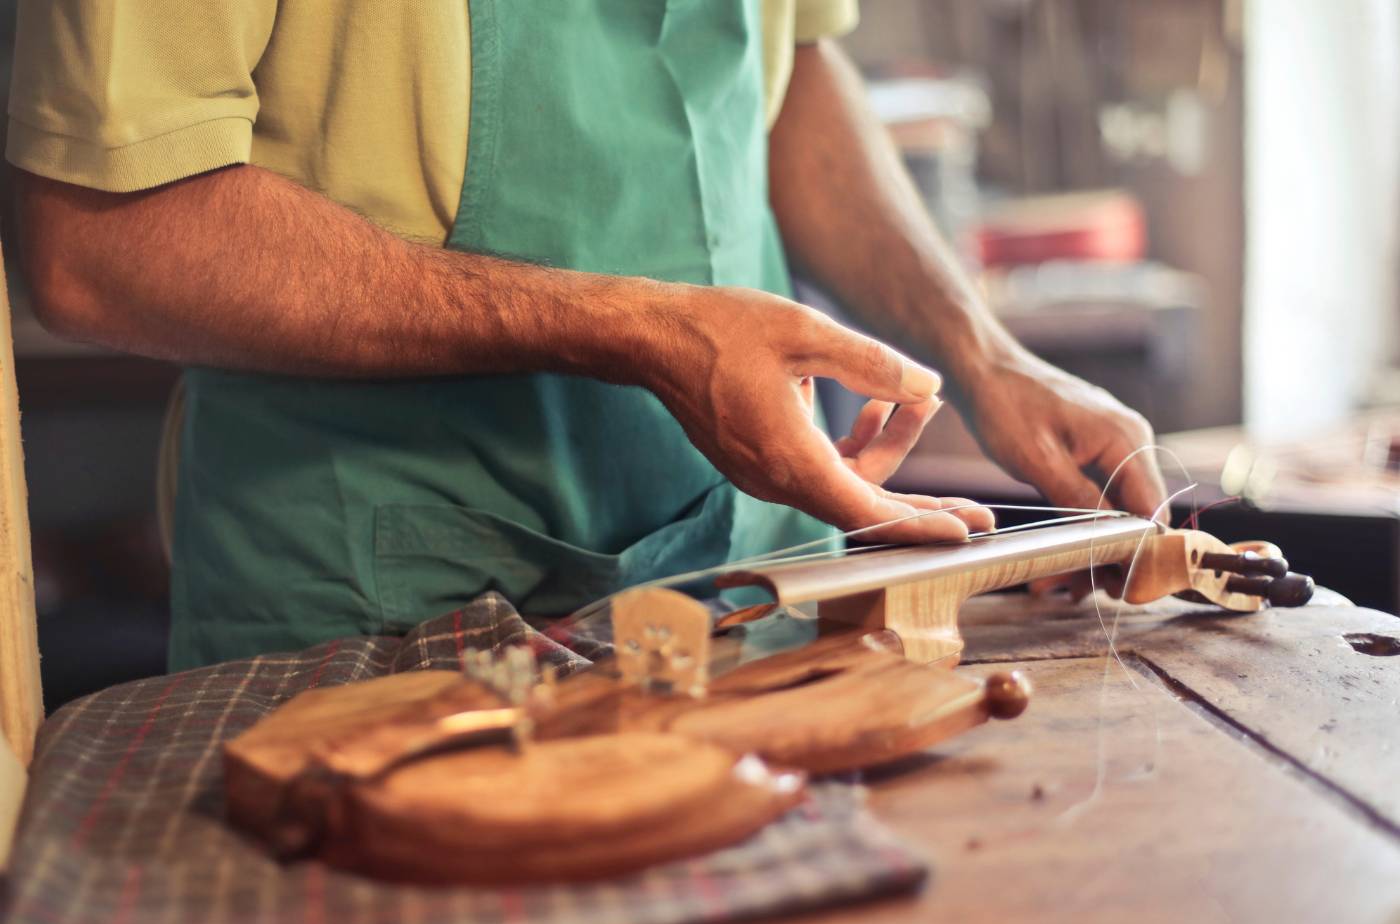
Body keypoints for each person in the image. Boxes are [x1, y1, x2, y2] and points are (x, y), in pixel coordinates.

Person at [7, 1, 1164, 671]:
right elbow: (99, 241)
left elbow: (792, 68)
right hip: (382, 609)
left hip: (765, 575)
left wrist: (983, 352)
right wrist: (640, 329)